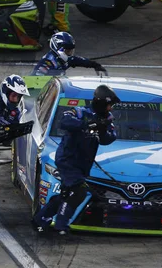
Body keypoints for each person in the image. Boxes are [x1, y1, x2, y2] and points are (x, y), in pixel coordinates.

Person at [32, 85, 119, 235]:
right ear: (101, 103)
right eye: (109, 105)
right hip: (67, 159)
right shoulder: (80, 112)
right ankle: (61, 225)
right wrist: (86, 125)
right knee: (79, 191)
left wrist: (102, 128)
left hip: (83, 164)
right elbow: (64, 122)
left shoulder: (107, 120)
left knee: (66, 194)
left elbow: (109, 138)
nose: (110, 109)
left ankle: (40, 219)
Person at [32, 32, 108, 76]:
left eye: (71, 50)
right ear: (57, 48)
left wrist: (95, 65)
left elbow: (78, 60)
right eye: (68, 51)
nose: (70, 53)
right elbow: (36, 81)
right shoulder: (46, 63)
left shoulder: (65, 58)